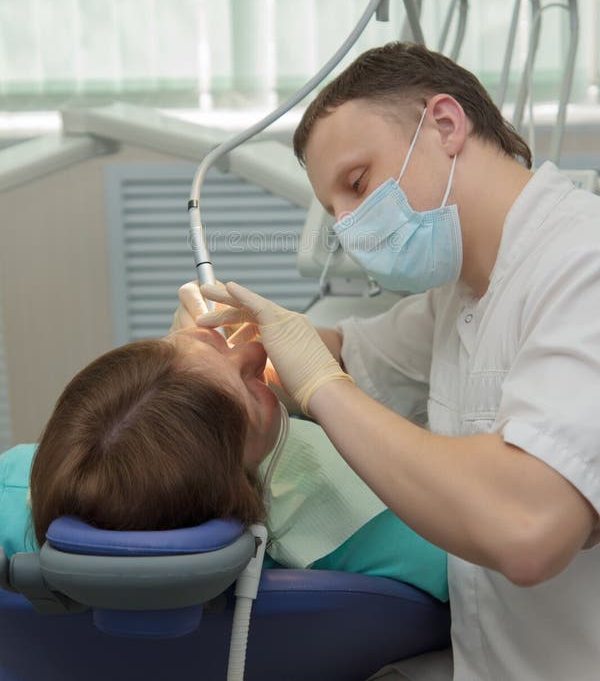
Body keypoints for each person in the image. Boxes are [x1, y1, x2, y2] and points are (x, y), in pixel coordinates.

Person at [191, 42, 600, 681]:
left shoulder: (583, 264)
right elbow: (350, 359)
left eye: (357, 184)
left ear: (444, 125)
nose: (352, 231)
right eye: (336, 215)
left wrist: (320, 382)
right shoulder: (462, 290)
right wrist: (238, 349)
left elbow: (531, 525)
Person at [0, 322, 448, 608]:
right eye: (251, 391)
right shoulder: (370, 520)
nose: (252, 353)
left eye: (200, 342)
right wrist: (330, 392)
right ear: (244, 489)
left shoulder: (12, 488)